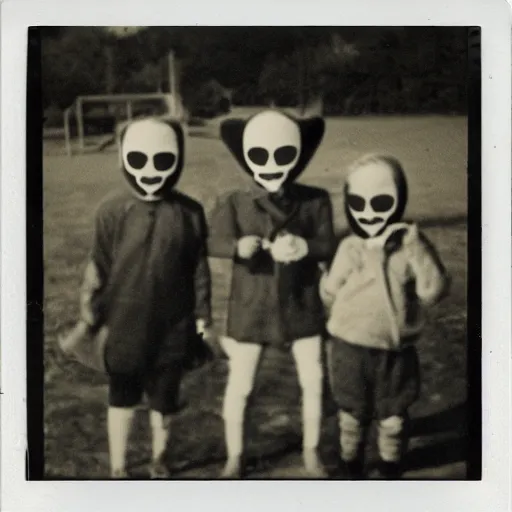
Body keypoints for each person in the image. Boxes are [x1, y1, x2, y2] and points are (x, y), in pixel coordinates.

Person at [70, 117, 212, 479]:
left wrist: (202, 317)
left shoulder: (190, 212)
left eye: (163, 161)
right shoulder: (112, 210)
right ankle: (118, 466)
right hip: (125, 328)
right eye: (139, 160)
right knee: (122, 398)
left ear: (178, 159)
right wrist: (90, 313)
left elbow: (199, 268)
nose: (151, 171)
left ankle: (159, 459)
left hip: (173, 329)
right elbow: (98, 266)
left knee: (164, 403)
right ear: (123, 159)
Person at [209, 109, 335, 478]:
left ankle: (311, 452)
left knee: (313, 381)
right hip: (252, 308)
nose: (271, 166)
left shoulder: (315, 200)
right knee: (241, 383)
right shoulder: (234, 201)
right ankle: (236, 456)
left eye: (282, 155)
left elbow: (329, 243)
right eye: (261, 156)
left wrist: (306, 246)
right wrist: (237, 246)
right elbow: (212, 240)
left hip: (302, 304)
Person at [319, 153, 450, 479]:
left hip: (395, 354)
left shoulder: (410, 246)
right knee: (352, 412)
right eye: (359, 204)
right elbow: (329, 291)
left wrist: (417, 249)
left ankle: (391, 465)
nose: (369, 214)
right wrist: (328, 278)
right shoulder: (349, 246)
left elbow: (432, 291)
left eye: (381, 203)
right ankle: (351, 463)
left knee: (393, 418)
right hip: (349, 348)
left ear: (398, 200)